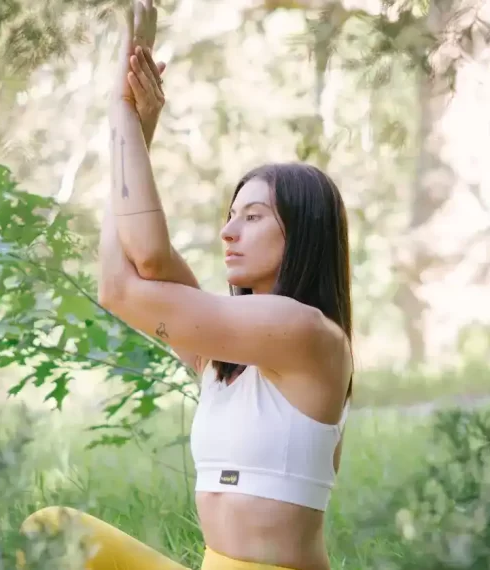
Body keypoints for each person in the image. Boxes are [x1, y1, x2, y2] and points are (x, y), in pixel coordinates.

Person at [18, 1, 353, 569]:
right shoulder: (223, 357)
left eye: (253, 217)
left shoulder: (303, 331)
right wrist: (137, 134)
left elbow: (126, 280)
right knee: (54, 536)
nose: (228, 231)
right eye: (230, 214)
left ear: (302, 233)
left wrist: (119, 109)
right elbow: (128, 269)